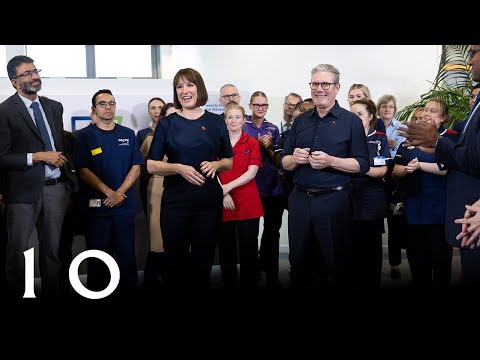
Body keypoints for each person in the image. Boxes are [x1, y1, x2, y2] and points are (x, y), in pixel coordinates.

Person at [281, 64, 370, 290]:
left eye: (325, 84)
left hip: (334, 202)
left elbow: (362, 163)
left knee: (337, 264)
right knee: (299, 263)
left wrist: (332, 161)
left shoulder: (351, 121)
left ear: (337, 87)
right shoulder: (300, 121)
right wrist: (294, 159)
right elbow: (284, 161)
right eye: (315, 84)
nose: (319, 89)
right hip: (300, 201)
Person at [398, 45, 480, 288]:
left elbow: (474, 159)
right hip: (467, 216)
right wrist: (432, 146)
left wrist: (437, 143)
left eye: (473, 52)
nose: (468, 61)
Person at [147, 68, 233, 292]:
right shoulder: (167, 124)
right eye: (179, 86)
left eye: (189, 85)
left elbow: (229, 161)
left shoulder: (216, 122)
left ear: (199, 88)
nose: (185, 91)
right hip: (176, 201)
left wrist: (216, 164)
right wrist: (178, 168)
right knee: (175, 262)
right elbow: (151, 164)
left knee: (203, 261)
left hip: (208, 201)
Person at [0, 55, 76, 297]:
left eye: (35, 71)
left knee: (52, 252)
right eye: (26, 74)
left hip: (55, 189)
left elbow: (58, 144)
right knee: (18, 252)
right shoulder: (4, 111)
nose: (34, 77)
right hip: (22, 192)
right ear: (14, 82)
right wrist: (39, 156)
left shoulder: (54, 107)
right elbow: (2, 157)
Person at [73, 89, 143, 293]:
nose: (108, 107)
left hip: (124, 206)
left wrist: (119, 193)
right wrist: (108, 193)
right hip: (98, 209)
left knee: (126, 256)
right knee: (98, 257)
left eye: (111, 103)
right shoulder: (84, 136)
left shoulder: (128, 134)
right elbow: (83, 170)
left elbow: (136, 167)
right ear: (93, 109)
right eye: (102, 103)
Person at [392, 99, 457, 289]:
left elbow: (450, 168)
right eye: (426, 109)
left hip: (439, 211)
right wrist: (404, 169)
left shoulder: (451, 140)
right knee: (417, 264)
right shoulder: (408, 141)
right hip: (413, 210)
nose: (427, 113)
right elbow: (395, 169)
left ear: (444, 118)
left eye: (434, 111)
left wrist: (420, 165)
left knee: (440, 265)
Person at [218, 103, 263, 291]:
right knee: (226, 249)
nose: (233, 121)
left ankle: (249, 285)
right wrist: (224, 193)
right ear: (225, 120)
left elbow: (251, 173)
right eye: (230, 117)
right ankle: (228, 284)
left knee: (249, 249)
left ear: (244, 120)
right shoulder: (217, 143)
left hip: (248, 202)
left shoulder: (252, 143)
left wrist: (227, 187)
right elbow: (211, 170)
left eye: (238, 117)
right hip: (222, 201)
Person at [242, 91, 284, 288]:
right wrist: (257, 145)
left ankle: (272, 273)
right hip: (249, 186)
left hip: (272, 186)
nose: (261, 108)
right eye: (257, 104)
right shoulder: (242, 125)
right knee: (249, 233)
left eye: (264, 105)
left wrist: (267, 147)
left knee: (272, 232)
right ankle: (251, 273)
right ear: (250, 105)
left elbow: (277, 159)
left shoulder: (273, 128)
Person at [349, 99, 389, 290]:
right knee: (349, 247)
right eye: (352, 114)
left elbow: (381, 171)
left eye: (360, 114)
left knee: (371, 249)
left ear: (370, 116)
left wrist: (355, 167)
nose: (355, 118)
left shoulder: (379, 138)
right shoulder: (345, 137)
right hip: (347, 198)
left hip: (372, 199)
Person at [141, 102, 176, 291]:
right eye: (168, 117)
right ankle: (153, 281)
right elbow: (143, 167)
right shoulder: (149, 139)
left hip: (182, 190)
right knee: (157, 240)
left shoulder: (191, 139)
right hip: (157, 188)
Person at [378, 93, 407, 280]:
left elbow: (405, 151)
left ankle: (394, 264)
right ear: (379, 109)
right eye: (384, 106)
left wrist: (389, 148)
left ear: (394, 109)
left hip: (394, 177)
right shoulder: (374, 127)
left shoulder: (402, 127)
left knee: (395, 223)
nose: (387, 109)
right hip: (376, 177)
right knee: (375, 222)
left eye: (390, 106)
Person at [136, 97, 166, 218]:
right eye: (153, 108)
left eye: (160, 108)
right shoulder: (142, 134)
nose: (156, 111)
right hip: (148, 182)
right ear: (148, 111)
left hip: (170, 182)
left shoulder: (173, 131)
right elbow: (138, 162)